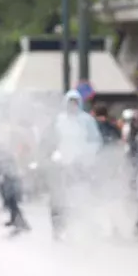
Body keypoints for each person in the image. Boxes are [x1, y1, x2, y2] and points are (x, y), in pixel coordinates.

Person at [43, 90, 102, 240]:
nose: (72, 106)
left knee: (79, 197)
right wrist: (52, 154)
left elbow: (96, 141)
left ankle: (80, 227)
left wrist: (86, 155)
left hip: (80, 166)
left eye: (75, 103)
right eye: (70, 103)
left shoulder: (87, 120)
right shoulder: (58, 120)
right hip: (61, 165)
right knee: (57, 198)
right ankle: (58, 227)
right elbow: (49, 141)